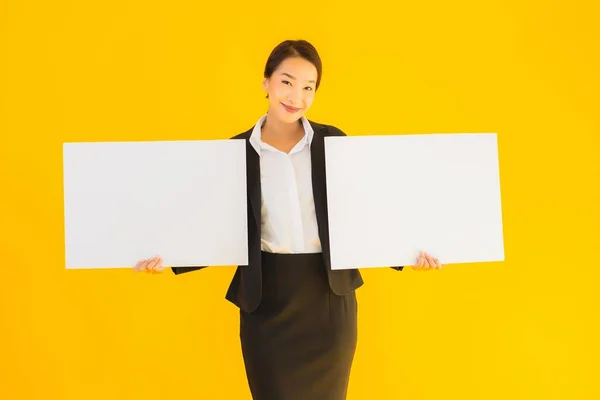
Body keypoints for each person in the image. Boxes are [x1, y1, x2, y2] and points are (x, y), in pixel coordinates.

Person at [133, 39, 443, 400]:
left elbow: (365, 210)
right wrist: (166, 257)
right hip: (267, 303)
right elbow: (214, 225)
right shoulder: (234, 153)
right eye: (287, 81)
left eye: (308, 87)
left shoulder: (333, 142)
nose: (296, 95)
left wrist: (408, 253)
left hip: (329, 300)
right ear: (265, 82)